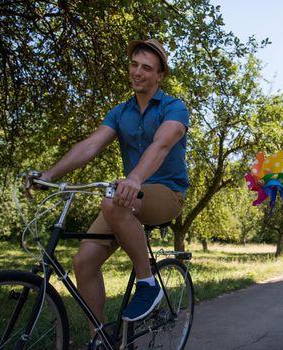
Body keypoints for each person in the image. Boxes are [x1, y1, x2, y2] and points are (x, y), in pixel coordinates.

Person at [39, 39, 189, 347]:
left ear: (160, 75)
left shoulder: (174, 107)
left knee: (114, 197)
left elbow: (161, 145)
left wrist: (134, 177)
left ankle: (147, 283)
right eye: (134, 65)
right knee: (83, 262)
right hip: (128, 196)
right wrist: (50, 175)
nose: (137, 72)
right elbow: (91, 145)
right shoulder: (120, 113)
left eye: (146, 67)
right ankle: (100, 339)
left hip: (166, 193)